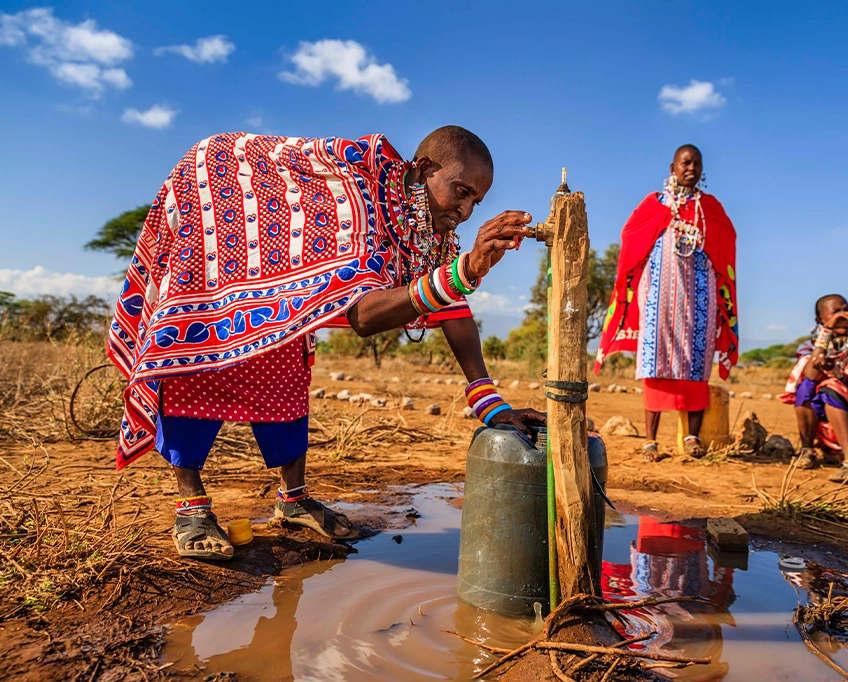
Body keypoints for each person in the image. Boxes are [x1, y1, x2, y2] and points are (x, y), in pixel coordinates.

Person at [108, 126, 543, 560]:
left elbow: (453, 309)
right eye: (461, 191)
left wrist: (491, 404)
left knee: (284, 376)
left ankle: (293, 499)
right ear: (426, 168)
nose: (466, 211)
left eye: (476, 202)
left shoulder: (433, 233)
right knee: (198, 359)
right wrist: (464, 270)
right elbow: (364, 315)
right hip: (221, 248)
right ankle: (192, 508)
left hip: (276, 288)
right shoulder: (362, 195)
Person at [594, 145, 738, 461]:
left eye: (697, 163)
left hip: (700, 298)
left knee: (696, 366)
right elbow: (631, 234)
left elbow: (727, 240)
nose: (692, 168)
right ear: (673, 166)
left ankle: (692, 438)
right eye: (686, 162)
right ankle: (650, 442)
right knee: (655, 363)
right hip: (659, 297)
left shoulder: (709, 207)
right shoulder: (656, 203)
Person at [779, 294, 848, 483]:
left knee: (832, 387)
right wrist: (826, 334)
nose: (843, 315)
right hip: (823, 420)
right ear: (820, 320)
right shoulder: (810, 346)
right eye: (836, 312)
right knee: (805, 387)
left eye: (846, 309)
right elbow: (810, 375)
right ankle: (807, 450)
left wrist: (832, 369)